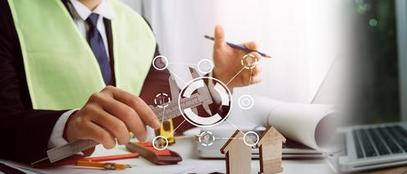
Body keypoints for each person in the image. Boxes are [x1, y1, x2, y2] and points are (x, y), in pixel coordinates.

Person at [0, 0, 261, 164]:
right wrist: (67, 126)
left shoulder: (138, 26)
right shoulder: (8, 12)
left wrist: (219, 81)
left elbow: (163, 114)